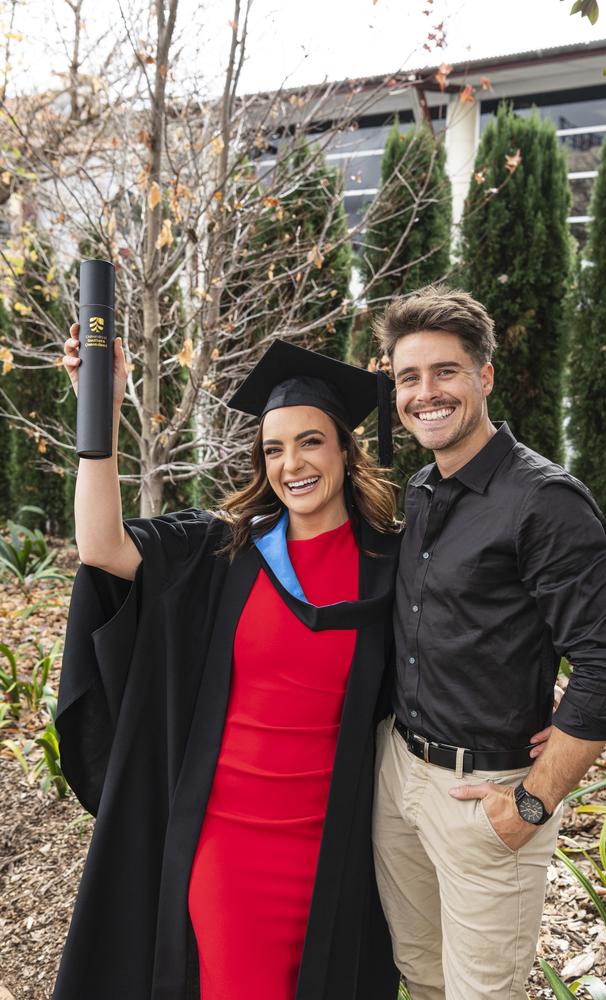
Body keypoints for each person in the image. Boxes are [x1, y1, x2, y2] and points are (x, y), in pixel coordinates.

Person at [55, 330, 402, 1000]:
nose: (291, 463)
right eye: (274, 447)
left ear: (344, 450)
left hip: (333, 848)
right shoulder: (223, 554)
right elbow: (101, 546)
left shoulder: (391, 568)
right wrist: (100, 408)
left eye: (309, 441)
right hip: (228, 848)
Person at [370, 284, 606, 1000]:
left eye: (445, 372)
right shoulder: (425, 488)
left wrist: (532, 802)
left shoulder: (543, 500)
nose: (425, 393)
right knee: (421, 979)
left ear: (484, 377)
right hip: (401, 778)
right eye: (408, 377)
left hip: (486, 798)